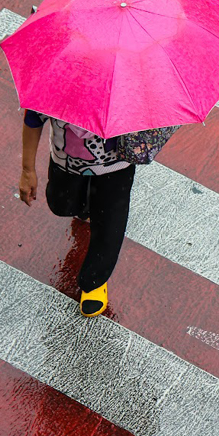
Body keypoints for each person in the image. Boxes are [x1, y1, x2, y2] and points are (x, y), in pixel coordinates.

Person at [19, 109, 136, 317]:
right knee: (61, 204)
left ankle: (94, 281)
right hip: (66, 161)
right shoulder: (57, 88)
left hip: (117, 164)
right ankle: (86, 206)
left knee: (110, 225)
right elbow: (33, 118)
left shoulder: (128, 91)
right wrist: (28, 170)